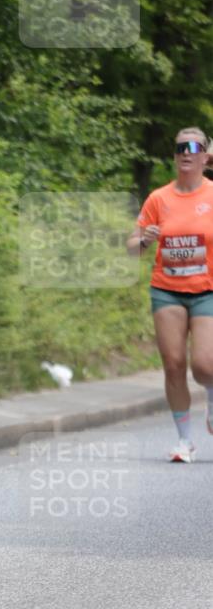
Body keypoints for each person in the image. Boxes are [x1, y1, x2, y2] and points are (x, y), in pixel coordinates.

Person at [127, 127, 213, 462]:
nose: (186, 153)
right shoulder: (159, 199)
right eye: (180, 147)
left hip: (208, 290)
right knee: (173, 364)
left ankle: (210, 393)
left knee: (205, 365)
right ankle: (184, 441)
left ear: (206, 155)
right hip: (167, 290)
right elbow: (131, 248)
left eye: (194, 147)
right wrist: (145, 240)